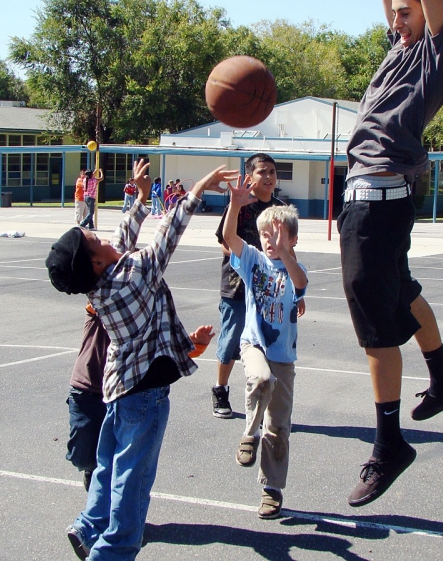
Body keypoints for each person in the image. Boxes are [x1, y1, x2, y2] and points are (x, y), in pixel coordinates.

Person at [45, 158, 236, 560]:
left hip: (119, 386)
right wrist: (200, 187)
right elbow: (167, 236)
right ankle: (114, 550)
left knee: (107, 466)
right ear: (95, 263)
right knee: (133, 478)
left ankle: (88, 526)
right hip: (143, 394)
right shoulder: (131, 276)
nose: (103, 239)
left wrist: (138, 196)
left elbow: (119, 240)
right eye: (94, 240)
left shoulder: (103, 281)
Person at [337, 0, 443, 507]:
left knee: (375, 325)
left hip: (378, 199)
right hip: (373, 199)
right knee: (400, 293)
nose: (396, 19)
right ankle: (441, 379)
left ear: (432, 7)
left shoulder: (440, 51)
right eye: (393, 12)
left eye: (406, 11)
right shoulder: (399, 43)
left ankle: (389, 443)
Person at [223, 175, 307, 520]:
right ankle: (248, 433)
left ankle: (271, 490)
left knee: (280, 427)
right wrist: (234, 205)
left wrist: (287, 254)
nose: (269, 241)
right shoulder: (254, 261)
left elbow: (300, 284)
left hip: (283, 356)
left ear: (293, 239)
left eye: (277, 235)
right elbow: (229, 238)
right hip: (254, 343)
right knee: (260, 380)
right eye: (264, 235)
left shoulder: (295, 269)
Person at [212, 153, 285, 418]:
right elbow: (224, 240)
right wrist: (247, 260)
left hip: (267, 292)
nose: (268, 177)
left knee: (267, 343)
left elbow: (286, 248)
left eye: (272, 172)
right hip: (237, 287)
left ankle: (264, 393)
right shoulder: (241, 205)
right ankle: (220, 389)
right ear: (250, 176)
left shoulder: (279, 209)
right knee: (231, 341)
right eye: (262, 172)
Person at [67, 303, 110, 492]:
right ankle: (89, 469)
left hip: (119, 391)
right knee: (82, 457)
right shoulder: (97, 304)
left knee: (113, 458)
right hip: (86, 388)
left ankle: (104, 509)